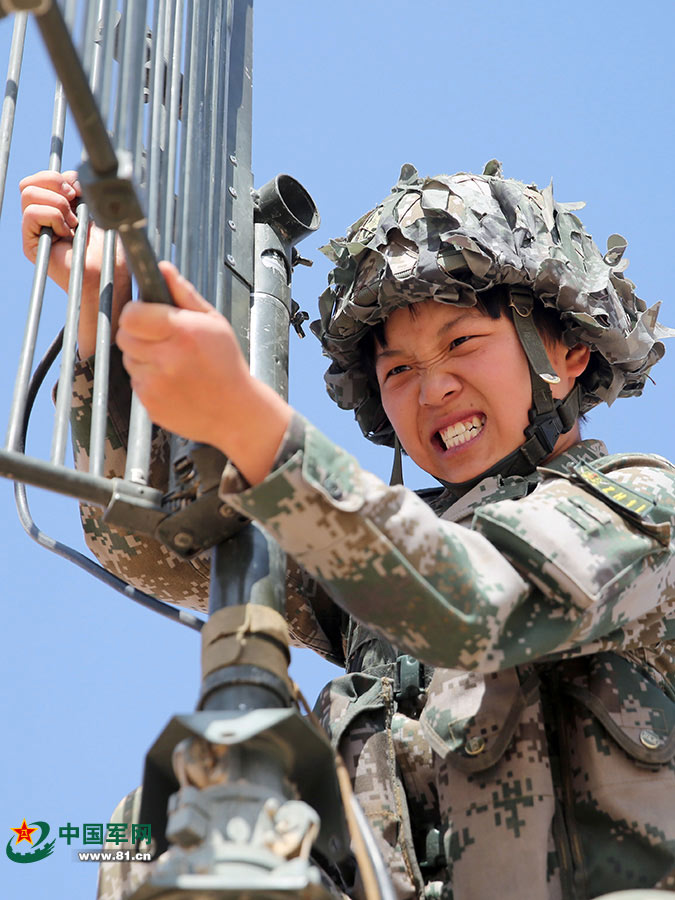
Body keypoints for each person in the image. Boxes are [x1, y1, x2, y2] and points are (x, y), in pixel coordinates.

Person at [20, 162, 675, 899]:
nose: (432, 389)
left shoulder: (642, 507)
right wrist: (99, 314)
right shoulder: (388, 541)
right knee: (164, 816)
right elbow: (160, 542)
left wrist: (250, 422)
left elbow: (469, 599)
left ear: (569, 353)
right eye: (397, 371)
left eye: (461, 344)